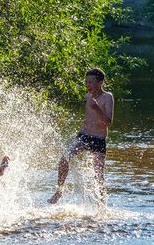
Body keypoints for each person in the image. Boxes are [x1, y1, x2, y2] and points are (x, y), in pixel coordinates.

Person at [49, 68, 114, 204]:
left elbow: (108, 122)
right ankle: (59, 191)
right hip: (84, 136)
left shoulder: (107, 97)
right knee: (64, 159)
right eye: (86, 82)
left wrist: (97, 108)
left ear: (100, 83)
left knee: (99, 175)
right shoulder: (87, 96)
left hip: (98, 139)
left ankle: (102, 207)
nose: (87, 85)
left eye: (90, 82)